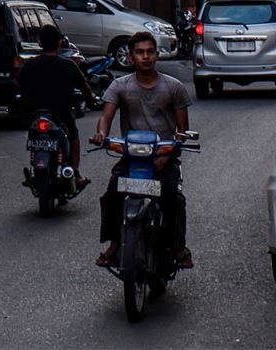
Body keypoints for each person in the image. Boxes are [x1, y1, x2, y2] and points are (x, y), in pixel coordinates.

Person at [91, 29, 192, 273]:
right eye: (139, 53)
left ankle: (177, 248)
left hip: (164, 158)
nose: (145, 57)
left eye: (149, 52)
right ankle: (116, 244)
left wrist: (168, 154)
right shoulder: (120, 86)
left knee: (173, 199)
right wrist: (101, 135)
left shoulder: (174, 87)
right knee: (112, 194)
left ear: (157, 56)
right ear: (131, 57)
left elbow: (182, 130)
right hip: (132, 157)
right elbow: (106, 116)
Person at [16, 24, 90, 192]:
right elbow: (85, 88)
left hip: (34, 115)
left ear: (40, 43)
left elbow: (18, 84)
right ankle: (76, 173)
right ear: (59, 43)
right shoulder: (69, 65)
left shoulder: (29, 65)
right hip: (61, 115)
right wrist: (92, 100)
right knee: (74, 134)